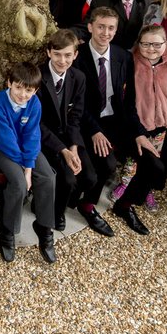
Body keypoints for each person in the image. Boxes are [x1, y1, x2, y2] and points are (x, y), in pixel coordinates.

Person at [114, 24, 167, 233]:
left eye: (157, 44)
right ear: (138, 44)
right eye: (146, 44)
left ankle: (141, 190)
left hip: (161, 124)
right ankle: (126, 186)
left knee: (153, 162)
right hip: (137, 124)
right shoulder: (131, 63)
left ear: (166, 44)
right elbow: (125, 98)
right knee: (136, 160)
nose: (151, 49)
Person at [0, 62, 58, 264]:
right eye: (18, 87)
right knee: (18, 184)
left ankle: (44, 229)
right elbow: (6, 140)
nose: (22, 94)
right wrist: (25, 169)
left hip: (26, 151)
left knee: (48, 177)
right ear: (9, 83)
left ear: (35, 90)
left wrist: (29, 168)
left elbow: (32, 135)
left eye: (28, 90)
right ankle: (7, 233)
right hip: (1, 149)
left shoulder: (34, 104)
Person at [37, 29, 108, 236]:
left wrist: (74, 147)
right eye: (57, 54)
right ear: (49, 52)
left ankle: (68, 201)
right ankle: (56, 212)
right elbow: (37, 123)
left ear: (75, 55)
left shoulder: (78, 77)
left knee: (90, 177)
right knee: (68, 178)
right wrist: (63, 151)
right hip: (46, 138)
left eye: (68, 55)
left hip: (69, 136)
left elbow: (76, 116)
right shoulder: (39, 76)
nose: (62, 60)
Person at [73, 6, 135, 232]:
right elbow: (76, 104)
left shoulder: (123, 56)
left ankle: (125, 203)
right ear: (90, 27)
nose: (105, 33)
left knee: (148, 160)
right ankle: (87, 205)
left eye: (111, 28)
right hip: (85, 122)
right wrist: (94, 130)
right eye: (100, 27)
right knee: (104, 165)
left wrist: (137, 132)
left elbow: (130, 98)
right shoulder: (77, 58)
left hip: (113, 120)